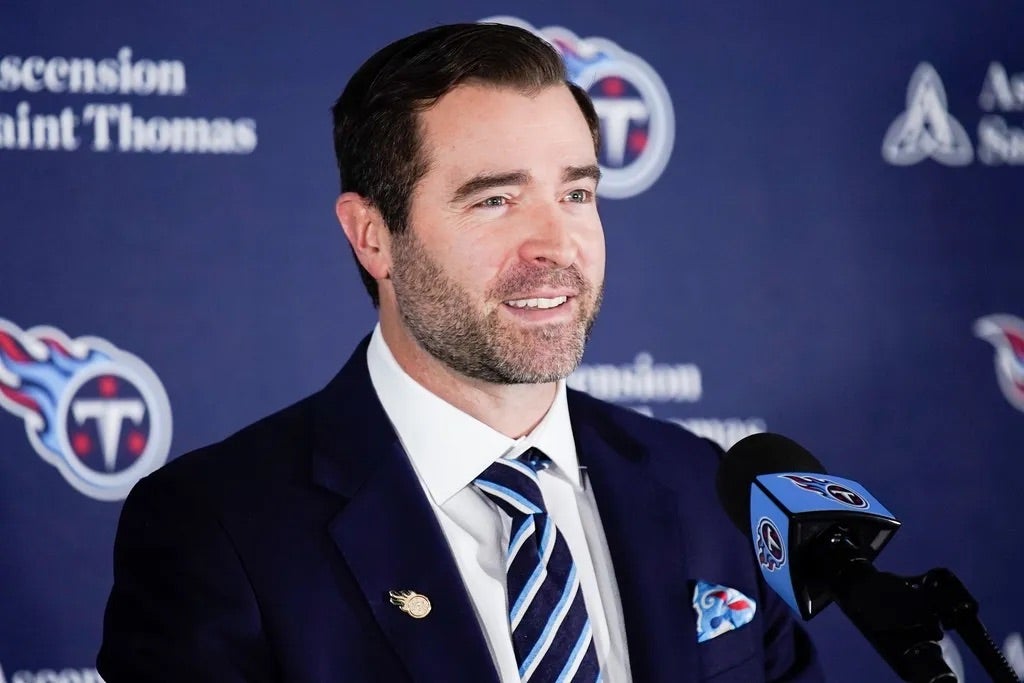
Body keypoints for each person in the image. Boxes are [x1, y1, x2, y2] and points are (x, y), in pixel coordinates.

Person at [97, 22, 823, 682]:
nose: (556, 244)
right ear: (372, 236)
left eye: (576, 193)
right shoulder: (219, 528)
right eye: (494, 200)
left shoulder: (703, 487)